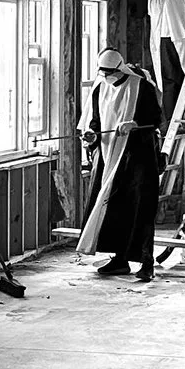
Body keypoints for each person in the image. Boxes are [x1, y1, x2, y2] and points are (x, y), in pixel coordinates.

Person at [77, 47, 162, 281]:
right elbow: (95, 121)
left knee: (140, 207)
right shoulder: (100, 88)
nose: (106, 77)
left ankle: (146, 263)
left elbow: (156, 119)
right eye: (103, 73)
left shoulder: (141, 87)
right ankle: (119, 259)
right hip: (108, 156)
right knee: (114, 207)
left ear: (120, 69)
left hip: (138, 157)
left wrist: (135, 124)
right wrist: (91, 136)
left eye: (110, 73)